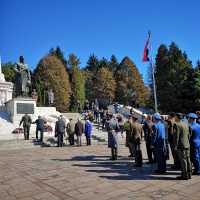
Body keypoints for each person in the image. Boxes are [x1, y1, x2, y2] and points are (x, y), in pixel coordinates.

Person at [174, 113, 192, 180]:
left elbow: (176, 137)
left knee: (183, 160)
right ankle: (189, 174)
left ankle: (185, 175)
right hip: (187, 143)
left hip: (181, 145)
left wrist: (175, 145)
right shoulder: (185, 124)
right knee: (188, 159)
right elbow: (190, 133)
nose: (174, 118)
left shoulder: (177, 125)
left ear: (177, 117)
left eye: (175, 117)